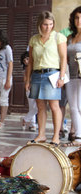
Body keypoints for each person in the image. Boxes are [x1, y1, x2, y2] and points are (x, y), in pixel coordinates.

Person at [25, 11, 67, 146]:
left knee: (54, 106)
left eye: (50, 24)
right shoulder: (34, 39)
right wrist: (27, 79)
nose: (48, 27)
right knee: (40, 106)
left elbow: (63, 58)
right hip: (37, 74)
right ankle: (41, 134)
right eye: (45, 24)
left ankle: (56, 136)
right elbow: (30, 61)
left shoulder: (58, 37)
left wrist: (61, 77)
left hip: (52, 75)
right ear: (40, 25)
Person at [63, 6, 81, 147]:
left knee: (80, 106)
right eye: (76, 17)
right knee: (73, 107)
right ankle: (79, 137)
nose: (79, 20)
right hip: (71, 75)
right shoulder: (70, 38)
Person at [20, 51, 38, 131]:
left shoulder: (36, 67)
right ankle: (32, 123)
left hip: (36, 87)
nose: (26, 62)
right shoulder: (27, 69)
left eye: (27, 59)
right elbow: (24, 79)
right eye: (24, 61)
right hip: (29, 89)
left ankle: (27, 120)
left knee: (35, 107)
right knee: (33, 107)